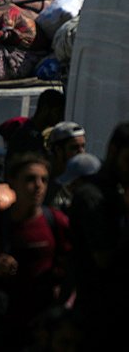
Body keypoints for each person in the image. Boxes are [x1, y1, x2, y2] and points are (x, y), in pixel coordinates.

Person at [0, 154, 71, 351]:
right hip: (4, 324)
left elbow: (74, 264)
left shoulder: (57, 222)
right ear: (12, 182)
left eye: (44, 180)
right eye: (30, 179)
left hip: (45, 323)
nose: (38, 186)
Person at [69, 121, 129, 347]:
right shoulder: (92, 196)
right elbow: (103, 257)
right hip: (100, 317)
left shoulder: (117, 193)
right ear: (113, 151)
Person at [45, 121, 87, 209]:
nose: (81, 153)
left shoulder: (83, 181)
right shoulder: (43, 182)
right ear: (58, 150)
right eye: (74, 148)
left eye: (83, 146)